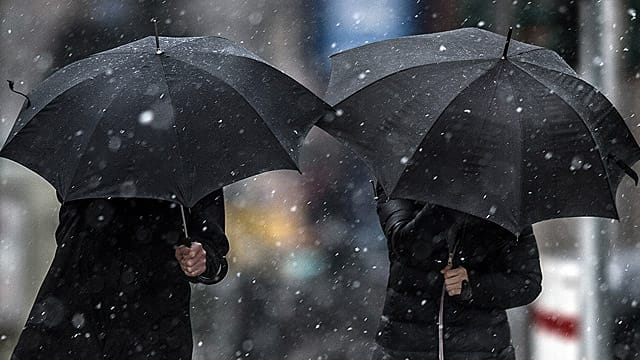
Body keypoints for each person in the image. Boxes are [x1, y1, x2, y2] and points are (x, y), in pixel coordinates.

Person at [11, 189, 229, 360]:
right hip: (80, 303)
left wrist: (202, 257)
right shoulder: (90, 145)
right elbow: (68, 224)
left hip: (152, 313)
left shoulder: (187, 146)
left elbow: (211, 243)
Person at [371, 187, 542, 360]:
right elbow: (406, 246)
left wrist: (472, 286)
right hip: (405, 347)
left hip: (483, 349)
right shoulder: (403, 181)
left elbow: (527, 282)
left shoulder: (502, 196)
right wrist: (446, 204)